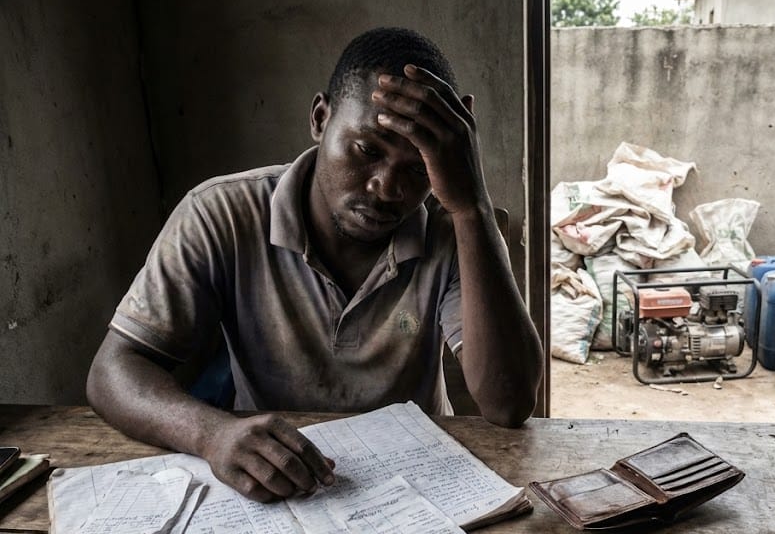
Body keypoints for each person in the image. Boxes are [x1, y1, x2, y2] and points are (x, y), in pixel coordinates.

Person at [86, 27, 543, 503]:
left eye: (417, 168)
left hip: (416, 486)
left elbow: (508, 404)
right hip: (274, 483)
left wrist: (472, 207)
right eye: (367, 151)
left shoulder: (451, 231)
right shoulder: (221, 214)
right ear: (321, 118)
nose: (387, 188)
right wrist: (212, 433)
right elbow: (114, 370)